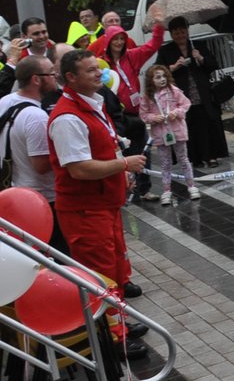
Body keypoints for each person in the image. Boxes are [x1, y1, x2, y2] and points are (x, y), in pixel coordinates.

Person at [48, 48, 148, 357]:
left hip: (103, 206)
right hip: (85, 211)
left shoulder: (92, 104)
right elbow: (78, 169)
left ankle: (119, 325)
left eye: (98, 68)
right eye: (91, 70)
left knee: (115, 269)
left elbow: (104, 148)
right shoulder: (67, 118)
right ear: (71, 78)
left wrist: (120, 171)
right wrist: (123, 166)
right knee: (99, 275)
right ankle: (112, 341)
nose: (99, 74)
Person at [0, 57, 67, 250]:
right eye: (51, 73)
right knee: (57, 256)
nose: (56, 77)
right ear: (36, 79)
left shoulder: (5, 101)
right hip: (42, 199)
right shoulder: (37, 117)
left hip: (15, 194)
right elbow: (41, 166)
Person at [92, 8, 166, 156]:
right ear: (108, 40)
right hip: (117, 116)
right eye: (115, 38)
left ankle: (144, 179)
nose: (119, 42)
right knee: (123, 155)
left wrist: (159, 24)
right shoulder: (100, 63)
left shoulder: (132, 56)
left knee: (143, 153)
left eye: (121, 38)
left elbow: (154, 44)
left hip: (135, 113)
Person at [156, 16, 227, 168]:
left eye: (182, 32)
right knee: (187, 127)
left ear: (187, 31)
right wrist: (173, 67)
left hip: (202, 94)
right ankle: (195, 158)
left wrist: (200, 58)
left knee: (206, 125)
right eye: (176, 33)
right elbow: (157, 71)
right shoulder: (165, 50)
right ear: (171, 34)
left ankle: (211, 156)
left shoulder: (198, 45)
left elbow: (213, 64)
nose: (180, 36)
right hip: (179, 96)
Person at [138, 63, 200, 204]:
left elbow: (186, 104)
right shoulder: (147, 96)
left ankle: (192, 186)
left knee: (183, 159)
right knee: (165, 163)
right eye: (158, 77)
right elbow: (143, 114)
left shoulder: (174, 91)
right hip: (160, 134)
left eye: (164, 76)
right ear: (150, 80)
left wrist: (176, 113)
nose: (162, 79)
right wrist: (153, 118)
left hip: (177, 130)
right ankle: (167, 190)